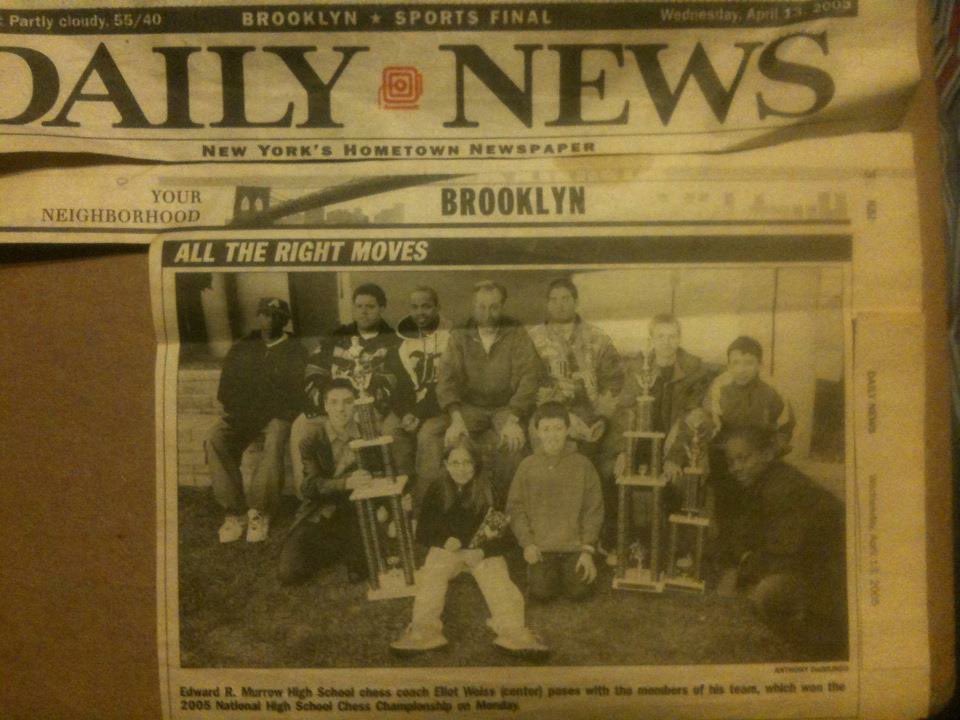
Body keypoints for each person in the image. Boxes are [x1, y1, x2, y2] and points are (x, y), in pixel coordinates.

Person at [391, 439, 548, 657]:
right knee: (432, 572)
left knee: (497, 577)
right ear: (445, 464)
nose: (461, 469)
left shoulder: (490, 489)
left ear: (476, 464)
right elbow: (424, 531)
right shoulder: (437, 488)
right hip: (450, 552)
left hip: (479, 553)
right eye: (455, 463)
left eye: (467, 462)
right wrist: (444, 540)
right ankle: (425, 630)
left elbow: (507, 536)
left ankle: (512, 631)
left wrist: (483, 551)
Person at [716, 426, 846, 654]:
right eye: (731, 461)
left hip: (833, 576)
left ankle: (815, 643)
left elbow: (785, 553)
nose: (735, 468)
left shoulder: (784, 489)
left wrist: (742, 569)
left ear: (767, 454)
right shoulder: (759, 482)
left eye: (743, 458)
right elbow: (742, 534)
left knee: (767, 593)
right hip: (810, 566)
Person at [527, 277, 623, 552]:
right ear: (547, 304)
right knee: (555, 461)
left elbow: (614, 382)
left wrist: (601, 419)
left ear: (576, 301)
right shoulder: (533, 339)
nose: (559, 305)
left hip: (594, 417)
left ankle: (600, 536)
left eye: (565, 298)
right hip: (551, 417)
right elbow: (528, 383)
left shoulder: (598, 337)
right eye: (553, 299)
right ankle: (552, 538)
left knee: (604, 466)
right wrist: (563, 416)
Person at [290, 283, 405, 497]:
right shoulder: (336, 337)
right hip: (333, 408)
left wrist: (366, 403)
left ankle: (383, 497)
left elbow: (393, 379)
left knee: (390, 433)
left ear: (382, 308)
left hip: (372, 409)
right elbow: (314, 370)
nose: (363, 311)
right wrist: (328, 402)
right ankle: (308, 496)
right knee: (301, 425)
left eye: (370, 306)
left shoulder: (393, 342)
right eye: (359, 306)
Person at [206, 297, 306, 544]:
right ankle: (235, 512)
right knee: (215, 438)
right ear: (258, 317)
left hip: (277, 416)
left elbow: (295, 394)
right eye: (264, 314)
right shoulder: (243, 346)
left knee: (275, 438)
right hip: (243, 415)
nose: (269, 320)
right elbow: (226, 388)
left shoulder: (295, 349)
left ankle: (260, 512)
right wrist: (240, 410)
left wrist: (268, 409)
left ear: (284, 321)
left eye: (275, 316)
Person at [433, 281, 543, 497]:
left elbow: (530, 377)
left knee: (513, 445)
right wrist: (456, 419)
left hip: (506, 408)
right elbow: (446, 379)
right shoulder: (459, 335)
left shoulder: (517, 333)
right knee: (439, 439)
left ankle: (505, 508)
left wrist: (513, 419)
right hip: (470, 408)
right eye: (482, 307)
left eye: (494, 307)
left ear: (502, 306)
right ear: (474, 307)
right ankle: (442, 506)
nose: (488, 313)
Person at [278, 379, 373, 585]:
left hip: (354, 510)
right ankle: (333, 547)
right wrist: (345, 483)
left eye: (348, 402)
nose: (341, 409)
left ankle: (349, 547)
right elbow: (310, 487)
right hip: (319, 511)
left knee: (360, 571)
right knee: (289, 574)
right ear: (325, 406)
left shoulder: (368, 437)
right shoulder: (312, 439)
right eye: (334, 402)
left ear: (355, 404)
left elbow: (379, 474)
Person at [507, 402, 604, 602]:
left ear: (568, 430)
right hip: (541, 549)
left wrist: (587, 550)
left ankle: (571, 570)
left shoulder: (583, 465)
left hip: (574, 548)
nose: (552, 435)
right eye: (546, 429)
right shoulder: (527, 466)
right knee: (542, 594)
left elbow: (593, 510)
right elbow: (515, 509)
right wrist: (528, 544)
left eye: (558, 428)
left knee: (579, 592)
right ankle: (543, 574)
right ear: (537, 432)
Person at [387, 286, 452, 511]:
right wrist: (405, 412)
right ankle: (404, 496)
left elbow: (448, 384)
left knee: (427, 435)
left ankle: (425, 503)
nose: (420, 312)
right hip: (412, 409)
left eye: (426, 306)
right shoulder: (402, 343)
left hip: (442, 406)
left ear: (437, 308)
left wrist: (418, 413)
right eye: (414, 307)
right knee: (391, 430)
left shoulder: (450, 339)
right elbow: (399, 384)